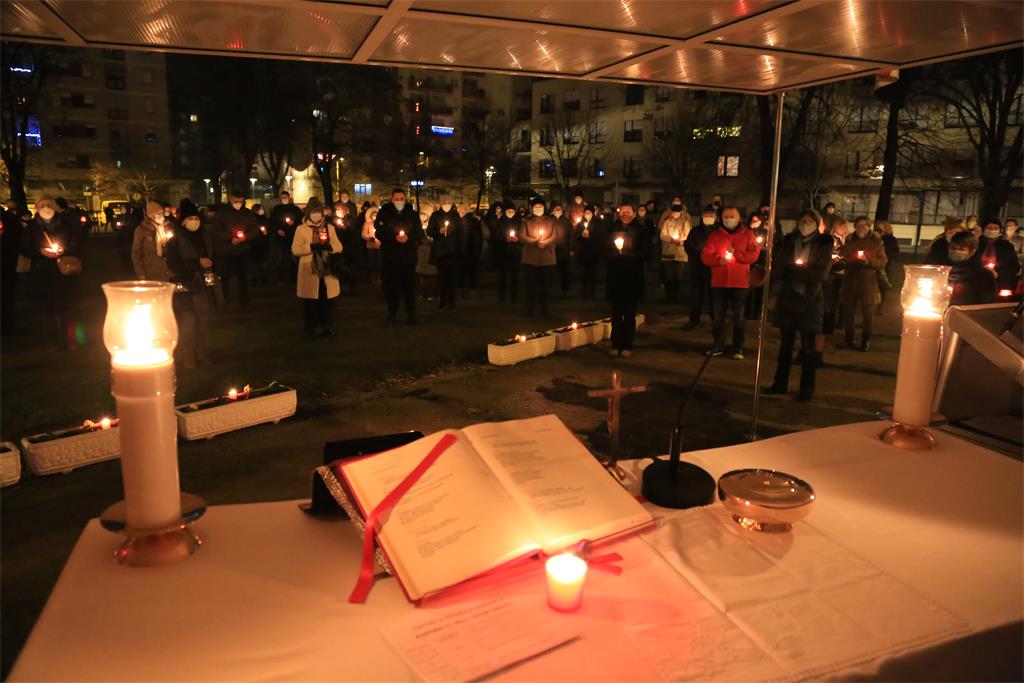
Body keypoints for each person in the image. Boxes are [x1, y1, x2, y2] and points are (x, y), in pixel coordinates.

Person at [764, 210, 833, 401]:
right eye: (803, 220)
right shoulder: (789, 241)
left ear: (817, 224)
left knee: (808, 348)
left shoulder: (824, 244)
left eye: (810, 221)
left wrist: (793, 270)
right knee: (785, 346)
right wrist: (796, 270)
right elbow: (779, 267)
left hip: (810, 299)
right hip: (787, 297)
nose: (805, 224)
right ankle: (780, 384)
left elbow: (821, 273)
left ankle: (806, 389)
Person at [20, 196, 81, 351]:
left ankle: (69, 339)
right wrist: (40, 252)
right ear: (37, 208)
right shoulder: (32, 227)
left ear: (54, 206)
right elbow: (25, 249)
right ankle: (51, 340)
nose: (45, 207)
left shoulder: (64, 223)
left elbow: (75, 243)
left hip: (62, 271)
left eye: (48, 204)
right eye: (42, 205)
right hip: (41, 272)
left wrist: (63, 250)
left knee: (66, 306)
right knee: (46, 308)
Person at [701, 206, 760, 359]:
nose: (729, 219)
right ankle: (718, 345)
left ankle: (737, 347)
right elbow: (705, 255)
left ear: (739, 218)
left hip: (740, 282)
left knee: (738, 317)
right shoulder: (715, 235)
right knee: (718, 316)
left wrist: (737, 254)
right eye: (726, 216)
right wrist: (718, 260)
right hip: (719, 282)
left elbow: (754, 255)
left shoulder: (747, 234)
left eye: (732, 216)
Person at [165, 203, 215, 368]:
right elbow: (173, 264)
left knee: (203, 321)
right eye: (190, 218)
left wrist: (209, 263)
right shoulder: (175, 241)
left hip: (203, 285)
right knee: (189, 322)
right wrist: (196, 263)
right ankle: (188, 356)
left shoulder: (205, 237)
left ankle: (202, 353)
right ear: (183, 221)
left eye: (196, 218)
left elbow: (212, 255)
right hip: (185, 286)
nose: (194, 221)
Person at [292, 198, 342, 337]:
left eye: (319, 212)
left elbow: (339, 246)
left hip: (326, 269)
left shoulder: (329, 228)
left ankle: (326, 326)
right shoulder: (301, 229)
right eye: (314, 212)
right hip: (309, 268)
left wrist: (330, 247)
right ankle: (310, 328)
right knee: (310, 301)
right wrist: (311, 247)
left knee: (325, 300)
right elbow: (295, 249)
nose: (316, 215)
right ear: (308, 213)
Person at [605, 204, 648, 357]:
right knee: (616, 314)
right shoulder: (611, 229)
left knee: (629, 313)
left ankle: (627, 345)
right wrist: (614, 255)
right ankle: (615, 344)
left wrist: (629, 256)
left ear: (634, 214)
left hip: (632, 276)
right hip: (615, 276)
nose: (625, 214)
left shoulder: (641, 231)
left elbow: (646, 252)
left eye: (628, 212)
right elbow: (604, 249)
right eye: (623, 212)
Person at [375, 188, 424, 324]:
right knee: (391, 287)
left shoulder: (412, 214)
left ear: (405, 199)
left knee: (409, 287)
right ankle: (392, 313)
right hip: (390, 257)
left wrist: (409, 237)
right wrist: (393, 238)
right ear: (391, 199)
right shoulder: (384, 213)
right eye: (396, 199)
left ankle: (411, 314)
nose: (399, 201)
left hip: (408, 257)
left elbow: (419, 232)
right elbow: (379, 232)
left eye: (402, 199)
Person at [839, 216, 887, 351]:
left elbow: (883, 261)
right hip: (850, 280)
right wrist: (848, 260)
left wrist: (869, 262)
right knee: (849, 313)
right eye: (858, 225)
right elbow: (843, 256)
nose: (861, 228)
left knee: (868, 315)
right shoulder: (849, 240)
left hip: (868, 282)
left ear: (869, 226)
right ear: (855, 227)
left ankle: (865, 341)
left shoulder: (877, 242)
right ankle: (848, 339)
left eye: (864, 225)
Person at [213, 190, 258, 307]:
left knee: (243, 277)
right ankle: (225, 300)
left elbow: (254, 229)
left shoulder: (248, 213)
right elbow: (217, 230)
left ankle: (244, 301)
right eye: (236, 201)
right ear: (230, 199)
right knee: (225, 277)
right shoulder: (221, 213)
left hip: (243, 250)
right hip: (226, 250)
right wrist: (230, 238)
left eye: (240, 201)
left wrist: (245, 237)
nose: (238, 203)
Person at [520, 197, 557, 317]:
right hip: (531, 258)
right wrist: (535, 242)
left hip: (547, 258)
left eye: (540, 206)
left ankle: (544, 309)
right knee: (531, 286)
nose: (538, 209)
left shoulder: (551, 221)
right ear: (532, 208)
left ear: (544, 207)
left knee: (545, 286)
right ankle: (530, 309)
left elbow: (555, 236)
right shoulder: (527, 221)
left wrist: (544, 243)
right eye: (536, 207)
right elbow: (522, 236)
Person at [683, 208, 715, 329]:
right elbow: (687, 245)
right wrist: (696, 249)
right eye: (706, 216)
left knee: (714, 296)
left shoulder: (717, 231)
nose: (708, 218)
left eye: (710, 216)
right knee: (696, 294)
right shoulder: (695, 230)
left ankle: (715, 320)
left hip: (713, 268)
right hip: (697, 266)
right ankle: (694, 319)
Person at [948, 232, 996, 306]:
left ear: (972, 252)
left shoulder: (984, 276)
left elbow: (985, 304)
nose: (956, 252)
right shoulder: (942, 271)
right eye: (953, 248)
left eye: (961, 249)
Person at [428, 200, 460, 311]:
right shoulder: (435, 215)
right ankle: (442, 302)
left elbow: (460, 231)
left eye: (448, 201)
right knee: (441, 279)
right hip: (440, 252)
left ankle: (452, 303)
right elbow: (429, 231)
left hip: (452, 251)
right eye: (445, 201)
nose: (447, 203)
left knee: (452, 279)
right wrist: (439, 231)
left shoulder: (455, 216)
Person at [977, 219, 1021, 294]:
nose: (992, 230)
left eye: (996, 228)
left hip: (1000, 285)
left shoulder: (1007, 246)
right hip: (977, 283)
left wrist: (998, 273)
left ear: (1000, 230)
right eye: (989, 228)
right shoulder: (976, 243)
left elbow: (1015, 267)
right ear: (983, 229)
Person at [131, 200, 171, 281]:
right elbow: (136, 253)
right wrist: (140, 273)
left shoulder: (164, 228)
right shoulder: (141, 230)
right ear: (151, 215)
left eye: (162, 213)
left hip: (165, 273)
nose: (161, 216)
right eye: (158, 213)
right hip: (149, 273)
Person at [658, 200, 690, 303]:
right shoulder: (667, 222)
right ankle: (668, 296)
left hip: (681, 253)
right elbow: (662, 235)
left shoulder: (685, 223)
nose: (675, 214)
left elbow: (688, 235)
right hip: (668, 252)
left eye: (677, 212)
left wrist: (680, 241)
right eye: (674, 212)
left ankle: (676, 296)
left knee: (678, 276)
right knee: (668, 276)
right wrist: (671, 239)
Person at [2, 198, 25, 335]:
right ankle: (7, 324)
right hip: (8, 256)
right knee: (7, 291)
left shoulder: (10, 218)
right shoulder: (10, 219)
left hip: (9, 256)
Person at [270, 190, 303, 284]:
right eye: (282, 198)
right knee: (280, 259)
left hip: (293, 237)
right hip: (280, 238)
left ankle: (294, 278)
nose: (284, 199)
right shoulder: (277, 209)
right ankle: (280, 279)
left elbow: (300, 222)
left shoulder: (295, 209)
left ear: (289, 198)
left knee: (294, 259)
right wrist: (277, 230)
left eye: (285, 197)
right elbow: (272, 222)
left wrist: (293, 224)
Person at [492, 202, 522, 304]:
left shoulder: (518, 221)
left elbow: (521, 234)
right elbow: (495, 236)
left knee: (514, 275)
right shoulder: (500, 222)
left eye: (512, 211)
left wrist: (517, 239)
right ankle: (502, 297)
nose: (510, 212)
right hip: (503, 251)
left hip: (515, 252)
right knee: (502, 275)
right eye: (508, 210)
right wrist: (505, 238)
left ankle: (514, 297)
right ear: (505, 211)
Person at [875, 219, 902, 314]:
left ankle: (880, 306)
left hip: (886, 265)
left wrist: (886, 257)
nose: (879, 229)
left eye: (881, 227)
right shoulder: (875, 238)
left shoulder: (891, 239)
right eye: (878, 227)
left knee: (882, 285)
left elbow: (895, 252)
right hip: (875, 263)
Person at [575, 205, 601, 298]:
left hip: (593, 250)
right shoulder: (581, 223)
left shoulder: (597, 223)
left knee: (593, 272)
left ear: (592, 214)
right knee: (584, 272)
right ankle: (584, 290)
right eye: (586, 213)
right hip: (584, 250)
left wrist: (590, 235)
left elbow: (599, 235)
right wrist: (581, 235)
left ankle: (592, 291)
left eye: (589, 213)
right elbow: (576, 235)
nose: (587, 214)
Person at [457, 203, 483, 293]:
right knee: (471, 272)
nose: (458, 212)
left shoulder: (466, 221)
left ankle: (465, 289)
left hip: (466, 251)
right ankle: (472, 288)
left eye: (459, 211)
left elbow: (471, 238)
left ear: (464, 211)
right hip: (472, 251)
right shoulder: (474, 221)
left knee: (464, 271)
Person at [550, 202, 573, 295]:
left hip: (563, 249)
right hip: (551, 249)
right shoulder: (549, 220)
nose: (557, 210)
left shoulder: (566, 221)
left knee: (564, 270)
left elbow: (571, 235)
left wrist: (570, 248)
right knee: (552, 271)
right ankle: (553, 289)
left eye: (559, 208)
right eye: (556, 208)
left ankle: (564, 289)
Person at [250, 203, 271, 286]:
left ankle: (263, 279)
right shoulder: (252, 220)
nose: (262, 210)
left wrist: (266, 232)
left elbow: (269, 228)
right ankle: (256, 279)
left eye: (262, 209)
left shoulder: (264, 219)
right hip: (255, 244)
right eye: (260, 209)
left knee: (263, 262)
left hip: (263, 244)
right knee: (256, 263)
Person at [361, 206, 381, 287]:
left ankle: (379, 277)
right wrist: (369, 238)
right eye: (373, 215)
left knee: (379, 262)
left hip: (379, 246)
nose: (375, 217)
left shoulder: (381, 224)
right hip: (371, 247)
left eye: (376, 215)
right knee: (372, 262)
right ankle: (373, 277)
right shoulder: (367, 224)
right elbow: (363, 234)